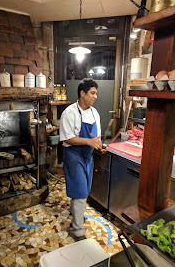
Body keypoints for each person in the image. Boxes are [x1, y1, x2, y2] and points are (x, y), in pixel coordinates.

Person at [59, 78, 107, 241]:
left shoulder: (95, 113)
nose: (95, 97)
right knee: (79, 191)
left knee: (84, 189)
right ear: (82, 93)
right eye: (92, 93)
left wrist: (100, 145)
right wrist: (89, 141)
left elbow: (97, 137)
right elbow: (66, 138)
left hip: (88, 157)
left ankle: (76, 213)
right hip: (73, 156)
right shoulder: (70, 112)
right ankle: (77, 229)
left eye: (96, 93)